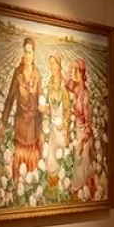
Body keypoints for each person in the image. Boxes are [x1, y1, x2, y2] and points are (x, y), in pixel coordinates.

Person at [0, 37, 43, 180]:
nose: (27, 55)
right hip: (20, 128)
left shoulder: (37, 75)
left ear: (34, 54)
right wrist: (3, 122)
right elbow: (10, 99)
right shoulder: (17, 73)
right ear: (23, 53)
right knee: (18, 171)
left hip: (33, 130)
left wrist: (42, 114)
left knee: (31, 176)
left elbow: (41, 100)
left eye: (30, 52)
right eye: (25, 51)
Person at [41, 53, 72, 188]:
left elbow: (68, 109)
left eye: (53, 63)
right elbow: (49, 108)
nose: (51, 66)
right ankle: (53, 188)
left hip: (61, 130)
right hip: (53, 127)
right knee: (50, 159)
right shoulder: (49, 84)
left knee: (63, 159)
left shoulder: (63, 86)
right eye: (50, 64)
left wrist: (64, 125)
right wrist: (44, 109)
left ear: (59, 66)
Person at [65, 57, 94, 197]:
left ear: (82, 73)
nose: (74, 73)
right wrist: (70, 67)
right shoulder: (76, 88)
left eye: (77, 70)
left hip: (84, 137)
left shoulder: (85, 96)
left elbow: (89, 126)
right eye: (74, 70)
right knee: (78, 167)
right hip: (78, 131)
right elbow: (66, 83)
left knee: (80, 167)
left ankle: (79, 195)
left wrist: (82, 141)